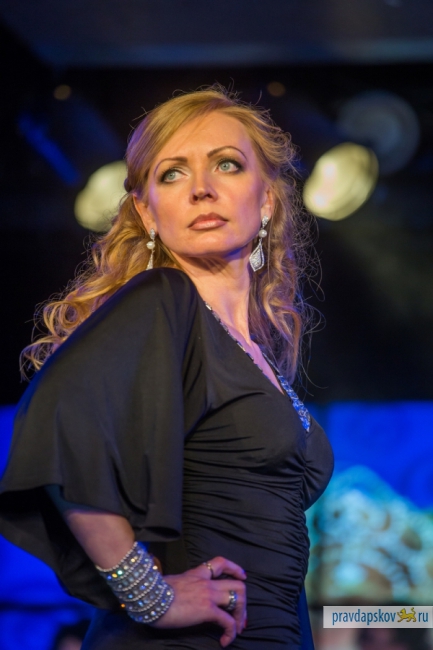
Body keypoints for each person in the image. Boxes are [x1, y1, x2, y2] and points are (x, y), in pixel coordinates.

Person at [0, 86, 333, 649]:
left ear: (268, 199)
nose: (201, 188)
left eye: (227, 164)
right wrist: (150, 595)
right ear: (146, 210)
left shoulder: (256, 353)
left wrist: (403, 620)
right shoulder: (166, 299)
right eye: (173, 173)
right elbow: (62, 420)